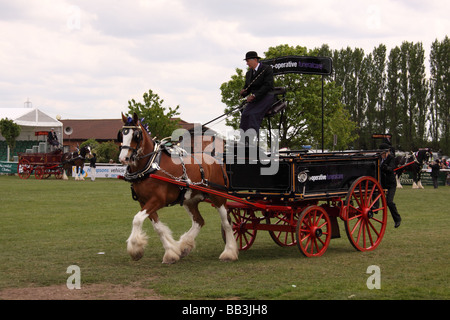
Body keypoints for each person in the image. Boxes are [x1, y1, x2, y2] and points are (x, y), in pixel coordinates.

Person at [239, 51, 274, 136]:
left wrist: (254, 95)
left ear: (255, 59)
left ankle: (251, 138)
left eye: (248, 61)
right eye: (246, 61)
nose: (247, 63)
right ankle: (243, 138)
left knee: (253, 114)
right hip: (254, 99)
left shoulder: (267, 69)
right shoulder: (248, 74)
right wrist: (243, 92)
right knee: (245, 114)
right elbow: (247, 87)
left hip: (266, 96)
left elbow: (268, 85)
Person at [379, 143, 402, 228]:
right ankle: (374, 207)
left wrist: (385, 167)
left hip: (390, 184)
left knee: (389, 202)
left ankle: (397, 219)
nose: (383, 155)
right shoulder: (378, 159)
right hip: (381, 183)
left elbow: (391, 168)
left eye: (385, 153)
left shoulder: (391, 158)